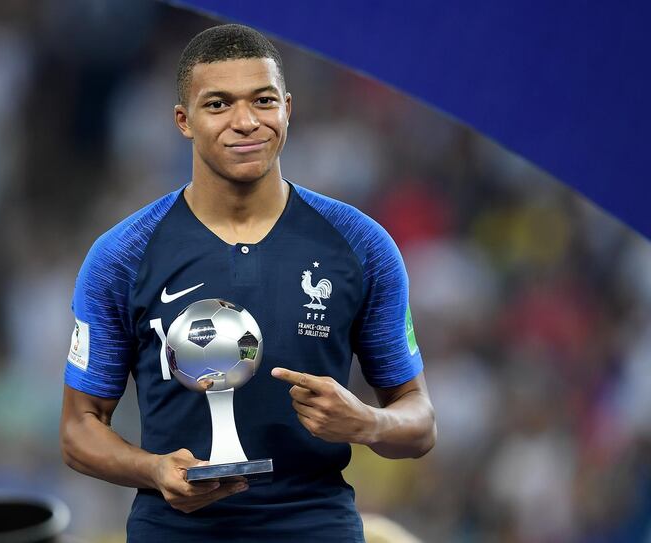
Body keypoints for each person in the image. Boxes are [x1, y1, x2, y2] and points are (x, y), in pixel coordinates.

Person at [60, 24, 436, 542]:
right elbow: (79, 428)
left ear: (287, 108)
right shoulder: (122, 256)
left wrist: (367, 422)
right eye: (218, 104)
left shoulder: (361, 245)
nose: (245, 122)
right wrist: (154, 470)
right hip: (175, 532)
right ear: (182, 120)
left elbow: (419, 422)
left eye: (262, 101)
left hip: (317, 526)